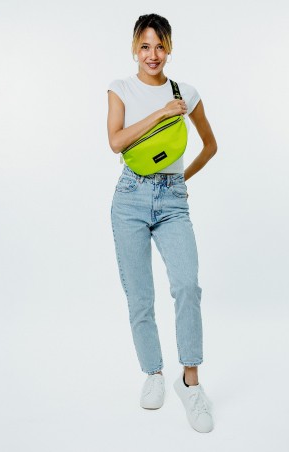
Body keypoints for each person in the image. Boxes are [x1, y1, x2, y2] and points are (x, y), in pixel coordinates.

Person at [107, 13, 217, 433]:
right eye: (145, 46)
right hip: (130, 198)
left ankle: (190, 382)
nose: (152, 54)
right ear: (135, 49)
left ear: (169, 49)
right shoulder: (120, 88)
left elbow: (210, 146)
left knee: (187, 285)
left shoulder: (186, 93)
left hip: (172, 200)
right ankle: (153, 372)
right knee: (140, 296)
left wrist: (179, 181)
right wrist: (161, 114)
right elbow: (116, 141)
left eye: (160, 46)